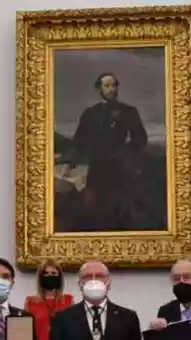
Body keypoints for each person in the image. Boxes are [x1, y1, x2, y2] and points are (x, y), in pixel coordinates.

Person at [70, 73, 148, 230]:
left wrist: (126, 153)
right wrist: (72, 163)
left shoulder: (129, 111)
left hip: (120, 169)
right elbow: (79, 141)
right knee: (93, 211)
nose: (111, 89)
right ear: (99, 89)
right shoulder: (89, 114)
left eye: (114, 85)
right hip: (96, 168)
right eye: (107, 86)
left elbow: (140, 138)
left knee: (121, 211)